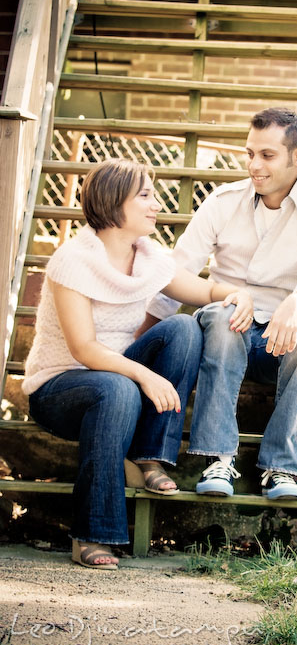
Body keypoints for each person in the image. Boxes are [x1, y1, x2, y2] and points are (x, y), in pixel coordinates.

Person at [22, 158, 253, 570]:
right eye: (145, 195)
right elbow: (84, 349)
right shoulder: (72, 260)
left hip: (117, 383)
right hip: (60, 389)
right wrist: (145, 375)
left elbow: (201, 289)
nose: (156, 204)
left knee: (182, 328)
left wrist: (236, 294)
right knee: (117, 387)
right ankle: (92, 533)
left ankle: (149, 456)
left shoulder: (147, 255)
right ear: (114, 203)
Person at [144, 107, 297, 500]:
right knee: (225, 316)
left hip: (281, 339)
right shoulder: (223, 201)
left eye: (267, 155)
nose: (253, 165)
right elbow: (174, 274)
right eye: (250, 153)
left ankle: (281, 468)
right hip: (225, 332)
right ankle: (217, 458)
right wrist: (143, 335)